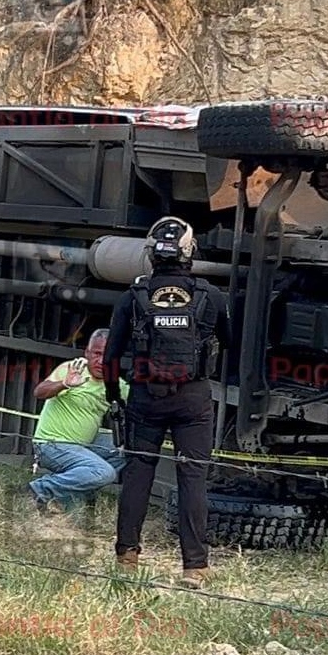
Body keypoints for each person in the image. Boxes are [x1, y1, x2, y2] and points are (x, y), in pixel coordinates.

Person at [102, 216, 231, 588]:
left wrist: (115, 397)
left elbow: (111, 356)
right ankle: (195, 567)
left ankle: (127, 556)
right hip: (194, 399)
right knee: (193, 477)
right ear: (190, 251)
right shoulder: (210, 296)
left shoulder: (134, 296)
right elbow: (230, 341)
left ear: (151, 253)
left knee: (138, 474)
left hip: (145, 397)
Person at [28, 329, 130, 515]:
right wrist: (64, 384)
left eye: (107, 355)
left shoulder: (116, 384)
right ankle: (39, 489)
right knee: (104, 473)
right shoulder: (74, 369)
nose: (101, 360)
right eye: (97, 354)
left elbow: (138, 405)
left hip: (84, 444)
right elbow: (39, 392)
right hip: (52, 444)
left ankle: (71, 494)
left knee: (128, 448)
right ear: (87, 353)